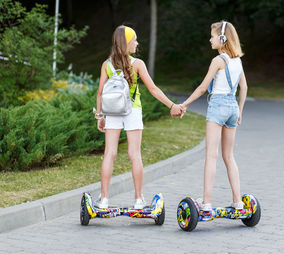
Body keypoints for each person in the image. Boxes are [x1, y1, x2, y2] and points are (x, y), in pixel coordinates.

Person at [94, 25, 184, 209]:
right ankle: (138, 199)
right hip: (132, 110)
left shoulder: (107, 64)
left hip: (112, 112)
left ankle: (103, 200)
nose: (137, 42)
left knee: (109, 154)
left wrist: (99, 116)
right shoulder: (137, 64)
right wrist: (172, 105)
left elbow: (100, 93)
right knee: (134, 154)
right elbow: (153, 90)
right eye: (134, 39)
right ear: (126, 43)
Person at [181, 21, 248, 212]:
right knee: (229, 156)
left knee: (211, 156)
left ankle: (207, 202)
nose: (210, 39)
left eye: (212, 36)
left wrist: (184, 104)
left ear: (222, 38)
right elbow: (244, 87)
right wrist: (240, 110)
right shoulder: (238, 61)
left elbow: (203, 88)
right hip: (232, 107)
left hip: (218, 106)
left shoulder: (218, 61)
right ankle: (238, 202)